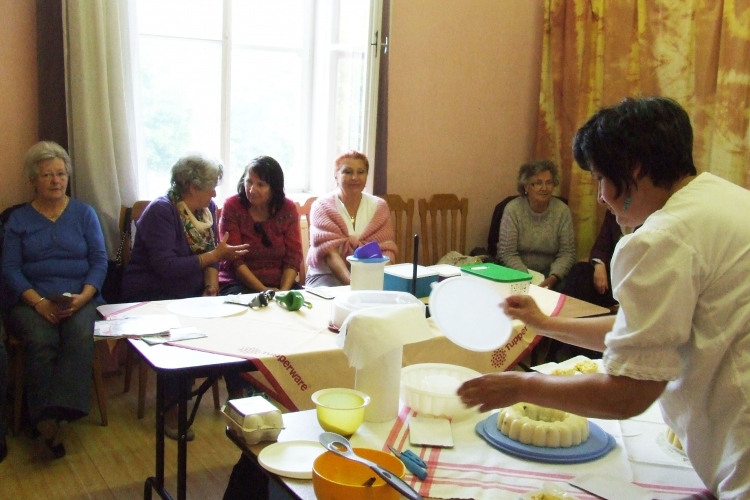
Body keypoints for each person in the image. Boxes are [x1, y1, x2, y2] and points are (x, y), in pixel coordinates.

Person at [458, 96, 750, 498]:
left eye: (599, 179)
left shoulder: (660, 238)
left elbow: (628, 394)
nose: (599, 197)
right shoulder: (722, 198)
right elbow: (644, 327)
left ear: (633, 170)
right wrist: (544, 323)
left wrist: (520, 387)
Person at [121, 154, 248, 440]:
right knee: (178, 332)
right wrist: (214, 257)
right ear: (192, 186)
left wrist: (212, 287)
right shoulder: (162, 212)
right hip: (152, 293)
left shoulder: (208, 209)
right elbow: (166, 267)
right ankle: (173, 407)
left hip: (190, 291)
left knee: (232, 322)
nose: (215, 192)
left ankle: (239, 398)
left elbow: (214, 255)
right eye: (211, 186)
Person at [1, 141, 108, 459]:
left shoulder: (84, 214)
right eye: (47, 174)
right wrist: (38, 303)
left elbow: (100, 261)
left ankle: (51, 419)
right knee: (41, 338)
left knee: (78, 335)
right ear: (33, 180)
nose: (56, 180)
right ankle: (48, 420)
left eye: (61, 173)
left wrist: (84, 297)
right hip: (31, 300)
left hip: (80, 296)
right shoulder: (18, 220)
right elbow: (9, 268)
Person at [305, 151, 397, 287]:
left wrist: (378, 281)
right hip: (327, 275)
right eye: (347, 172)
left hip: (369, 275)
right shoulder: (322, 206)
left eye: (361, 172)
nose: (355, 177)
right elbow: (330, 255)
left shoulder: (379, 206)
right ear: (336, 176)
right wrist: (354, 284)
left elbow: (386, 250)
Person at [219, 156, 303, 294]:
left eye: (261, 184)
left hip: (280, 284)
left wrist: (283, 292)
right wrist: (264, 290)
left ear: (274, 188)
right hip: (238, 283)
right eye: (249, 182)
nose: (252, 190)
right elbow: (234, 260)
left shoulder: (288, 208)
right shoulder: (232, 206)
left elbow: (293, 258)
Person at [496, 160, 576, 289]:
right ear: (526, 187)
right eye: (538, 183)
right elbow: (507, 253)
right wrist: (526, 278)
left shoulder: (562, 211)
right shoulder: (513, 210)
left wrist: (554, 277)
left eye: (548, 182)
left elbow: (567, 253)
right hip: (517, 272)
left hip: (551, 275)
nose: (544, 188)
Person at [559, 210, 630, 309]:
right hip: (611, 277)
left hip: (631, 282)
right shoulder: (612, 212)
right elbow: (602, 244)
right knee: (580, 272)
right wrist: (599, 264)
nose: (600, 199)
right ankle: (562, 316)